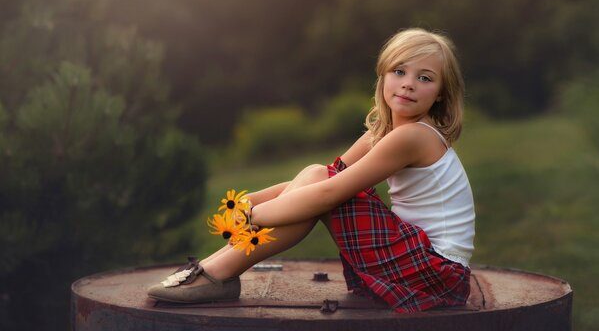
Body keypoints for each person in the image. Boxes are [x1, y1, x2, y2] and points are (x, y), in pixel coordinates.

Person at [147, 28, 475, 313]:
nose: (408, 85)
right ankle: (218, 267)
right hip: (414, 262)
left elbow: (330, 192)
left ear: (440, 94)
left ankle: (219, 273)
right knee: (319, 173)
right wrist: (253, 200)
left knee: (323, 188)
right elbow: (329, 174)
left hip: (435, 274)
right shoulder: (384, 132)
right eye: (399, 71)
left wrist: (255, 215)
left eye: (425, 78)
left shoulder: (413, 136)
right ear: (383, 76)